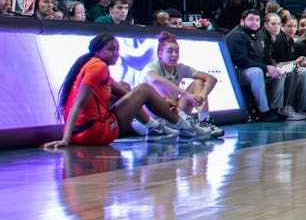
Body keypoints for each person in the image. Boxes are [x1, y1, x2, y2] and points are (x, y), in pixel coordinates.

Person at [43, 34, 214, 148]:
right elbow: (78, 105)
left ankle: (158, 128)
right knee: (145, 89)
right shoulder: (99, 67)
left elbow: (125, 94)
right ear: (160, 53)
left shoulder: (93, 65)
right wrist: (65, 139)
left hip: (82, 131)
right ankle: (186, 128)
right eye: (111, 50)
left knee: (125, 87)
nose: (116, 54)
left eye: (117, 50)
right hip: (93, 132)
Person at [142, 31, 224, 137]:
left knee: (198, 82)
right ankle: (184, 125)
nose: (174, 55)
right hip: (151, 117)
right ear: (160, 53)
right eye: (170, 51)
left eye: (177, 51)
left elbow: (211, 78)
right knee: (161, 89)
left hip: (174, 110)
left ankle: (204, 121)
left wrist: (202, 95)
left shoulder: (180, 67)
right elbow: (155, 80)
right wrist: (186, 94)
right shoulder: (152, 67)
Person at [225, 9, 287, 121]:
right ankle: (263, 111)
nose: (255, 22)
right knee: (256, 72)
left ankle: (276, 107)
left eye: (257, 20)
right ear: (242, 21)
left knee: (280, 72)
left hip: (256, 68)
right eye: (251, 19)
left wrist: (274, 66)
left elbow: (266, 56)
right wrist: (266, 67)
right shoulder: (236, 35)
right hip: (238, 72)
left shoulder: (259, 35)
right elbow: (241, 60)